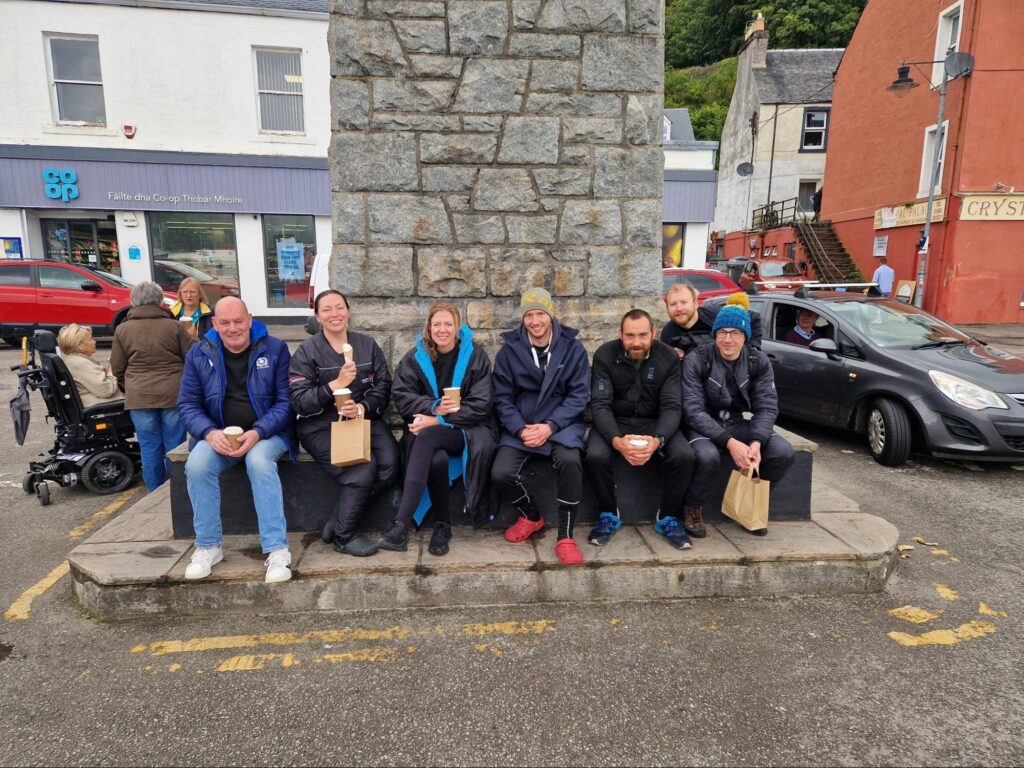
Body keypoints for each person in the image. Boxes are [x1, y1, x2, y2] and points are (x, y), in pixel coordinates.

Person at [177, 297, 296, 583]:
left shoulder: (276, 349)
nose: (233, 328)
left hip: (268, 433)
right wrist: (208, 432)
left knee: (258, 461)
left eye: (239, 321)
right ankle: (208, 546)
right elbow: (187, 405)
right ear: (215, 324)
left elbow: (286, 403)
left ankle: (277, 550)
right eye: (225, 322)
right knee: (197, 465)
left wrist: (258, 431)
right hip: (219, 435)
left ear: (250, 319)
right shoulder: (198, 353)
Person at [379, 302, 496, 557]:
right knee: (437, 457)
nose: (442, 330)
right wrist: (434, 407)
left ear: (457, 327)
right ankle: (443, 526)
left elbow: (482, 405)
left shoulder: (475, 356)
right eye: (436, 325)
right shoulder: (415, 357)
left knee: (430, 435)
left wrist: (437, 420)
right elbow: (402, 395)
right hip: (427, 432)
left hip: (469, 431)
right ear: (428, 328)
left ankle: (401, 524)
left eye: (448, 324)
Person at [288, 290, 400, 557]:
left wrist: (362, 407)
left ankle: (340, 517)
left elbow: (383, 386)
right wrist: (335, 385)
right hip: (321, 424)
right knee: (361, 469)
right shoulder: (307, 351)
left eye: (339, 308)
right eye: (326, 309)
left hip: (363, 418)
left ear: (348, 311)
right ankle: (345, 536)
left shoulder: (366, 344)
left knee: (391, 463)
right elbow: (299, 401)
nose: (334, 314)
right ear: (317, 317)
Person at [491, 288, 590, 565]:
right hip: (522, 423)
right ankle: (531, 515)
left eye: (540, 314)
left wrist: (550, 426)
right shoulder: (509, 352)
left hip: (561, 422)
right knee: (500, 473)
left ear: (551, 314)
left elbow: (579, 395)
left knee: (571, 461)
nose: (535, 321)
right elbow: (502, 398)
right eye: (529, 315)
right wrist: (521, 429)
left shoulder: (573, 348)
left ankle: (566, 535)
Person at [585, 309, 695, 550]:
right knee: (594, 455)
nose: (636, 342)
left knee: (685, 456)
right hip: (617, 421)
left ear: (653, 333)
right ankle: (607, 513)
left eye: (643, 335)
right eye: (630, 335)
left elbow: (672, 407)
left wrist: (657, 440)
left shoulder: (668, 357)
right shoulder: (605, 354)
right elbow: (600, 405)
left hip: (654, 422)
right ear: (620, 334)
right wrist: (617, 440)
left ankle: (667, 517)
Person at [682, 303, 794, 537]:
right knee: (707, 455)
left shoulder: (757, 361)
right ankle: (692, 507)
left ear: (745, 336)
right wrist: (730, 443)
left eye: (736, 333)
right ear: (715, 335)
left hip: (735, 421)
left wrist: (757, 441)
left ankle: (751, 505)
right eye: (722, 332)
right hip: (701, 423)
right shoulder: (697, 359)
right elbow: (692, 410)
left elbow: (767, 405)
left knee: (782, 451)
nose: (728, 339)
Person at [110, 281, 193, 491]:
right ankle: (175, 490)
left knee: (148, 446)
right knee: (175, 444)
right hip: (173, 393)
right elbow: (192, 357)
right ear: (159, 301)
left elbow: (117, 367)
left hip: (139, 396)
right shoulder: (174, 327)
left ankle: (155, 490)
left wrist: (128, 387)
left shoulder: (122, 330)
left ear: (133, 301)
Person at [661, 288, 763, 356]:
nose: (679, 308)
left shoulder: (716, 314)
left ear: (696, 304)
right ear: (667, 308)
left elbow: (753, 318)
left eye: (684, 302)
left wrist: (751, 348)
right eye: (673, 304)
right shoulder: (667, 334)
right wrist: (672, 357)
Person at [57, 323, 122, 407]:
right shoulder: (80, 363)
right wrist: (111, 369)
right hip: (98, 405)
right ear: (79, 345)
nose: (95, 341)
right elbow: (106, 390)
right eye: (90, 339)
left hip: (90, 401)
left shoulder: (70, 359)